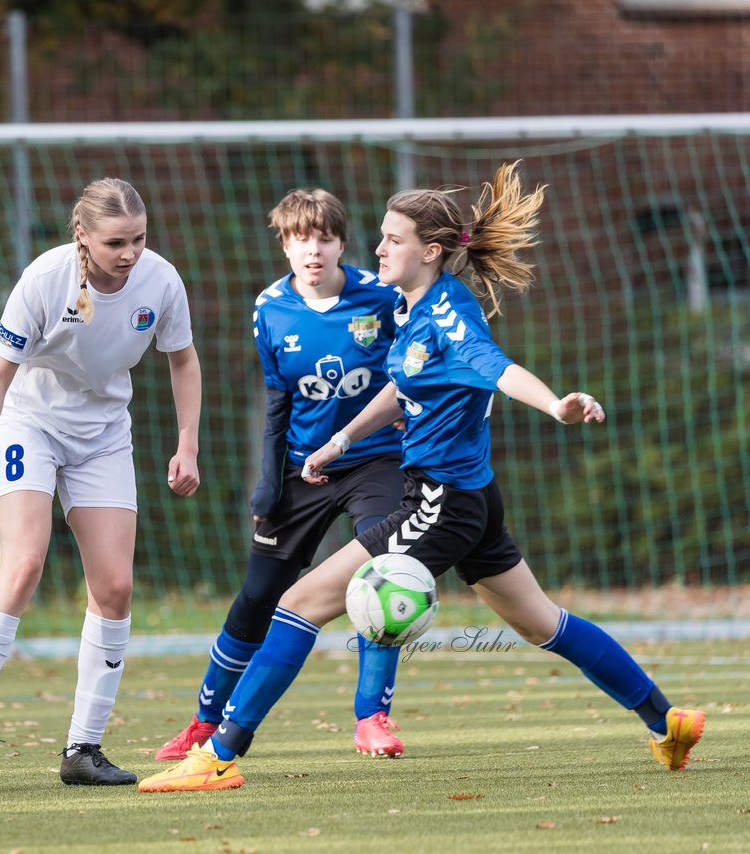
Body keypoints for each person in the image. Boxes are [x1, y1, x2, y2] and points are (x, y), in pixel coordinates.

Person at [139, 162, 705, 792]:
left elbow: (498, 368)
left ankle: (219, 755)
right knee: (540, 622)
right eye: (380, 236)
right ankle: (667, 720)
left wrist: (554, 405)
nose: (377, 248)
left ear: (430, 251)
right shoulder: (412, 307)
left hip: (439, 500)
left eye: (393, 239)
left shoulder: (450, 317)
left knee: (299, 603)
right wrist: (343, 437)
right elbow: (400, 385)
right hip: (467, 499)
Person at [0, 177, 202, 787]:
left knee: (115, 588)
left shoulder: (161, 281)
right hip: (27, 425)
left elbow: (183, 361)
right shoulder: (44, 279)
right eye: (116, 243)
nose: (131, 253)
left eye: (138, 239)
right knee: (24, 563)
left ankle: (83, 749)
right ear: (83, 236)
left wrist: (187, 445)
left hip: (105, 434)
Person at [153, 188, 410, 764]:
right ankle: (204, 721)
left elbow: (410, 378)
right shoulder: (269, 308)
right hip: (302, 468)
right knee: (257, 596)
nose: (312, 250)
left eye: (324, 238)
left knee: (382, 574)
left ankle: (371, 716)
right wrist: (270, 480)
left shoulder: (383, 296)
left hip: (377, 460)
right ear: (285, 244)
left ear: (342, 242)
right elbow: (278, 399)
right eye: (300, 239)